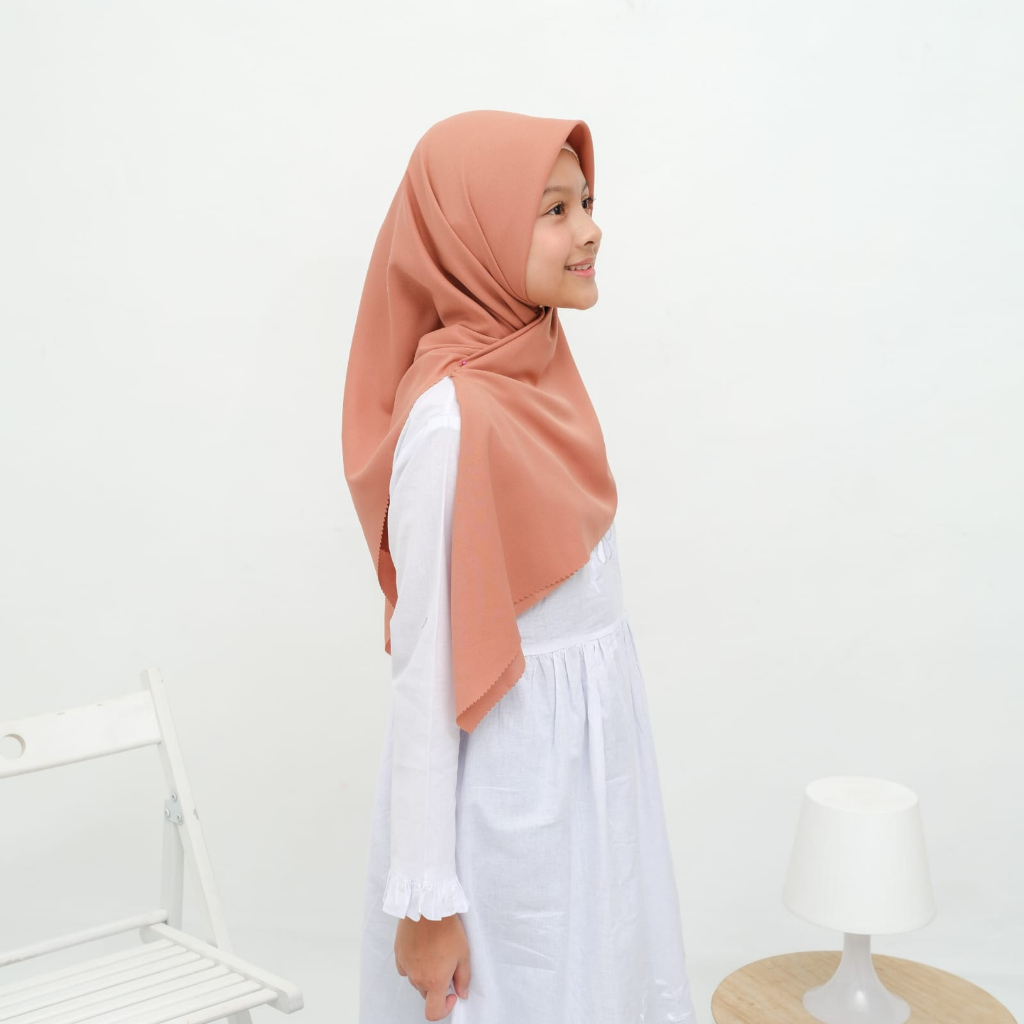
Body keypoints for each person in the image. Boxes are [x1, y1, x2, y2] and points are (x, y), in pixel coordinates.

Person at [342, 110, 697, 1024]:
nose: (591, 230)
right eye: (554, 210)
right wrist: (428, 904)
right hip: (509, 814)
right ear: (476, 236)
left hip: (590, 790)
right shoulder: (451, 421)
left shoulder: (541, 374)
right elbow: (426, 672)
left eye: (587, 202)